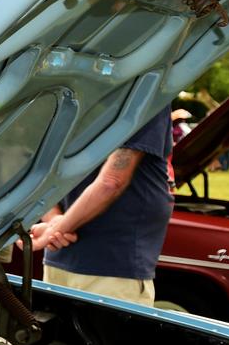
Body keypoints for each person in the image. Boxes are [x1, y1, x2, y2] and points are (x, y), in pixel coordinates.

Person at [28, 109, 174, 306]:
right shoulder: (148, 89)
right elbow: (112, 181)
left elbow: (38, 168)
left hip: (60, 256)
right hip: (113, 267)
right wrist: (56, 227)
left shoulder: (72, 89)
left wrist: (54, 223)